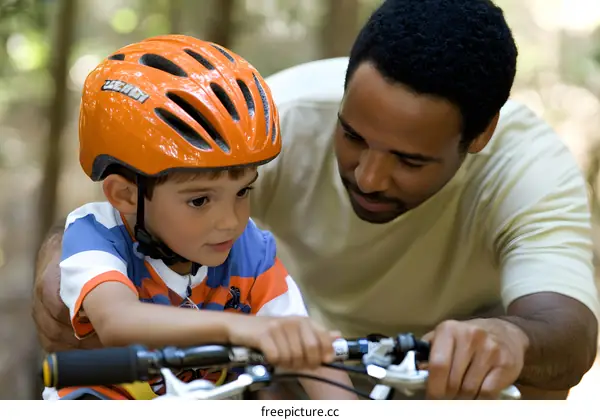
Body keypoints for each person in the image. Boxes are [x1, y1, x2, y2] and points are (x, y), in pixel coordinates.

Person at [33, 0, 600, 400]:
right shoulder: (264, 122)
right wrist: (59, 269)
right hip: (259, 369)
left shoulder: (530, 171)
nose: (370, 176)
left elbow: (569, 331)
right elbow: (128, 214)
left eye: (410, 160)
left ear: (479, 136)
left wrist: (508, 336)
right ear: (344, 87)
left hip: (432, 376)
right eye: (352, 136)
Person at [36, 34, 355, 400]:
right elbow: (117, 321)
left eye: (243, 192)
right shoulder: (96, 235)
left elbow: (307, 351)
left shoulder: (249, 249)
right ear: (125, 195)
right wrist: (240, 329)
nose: (231, 222)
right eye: (200, 200)